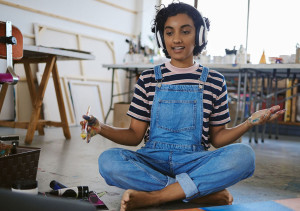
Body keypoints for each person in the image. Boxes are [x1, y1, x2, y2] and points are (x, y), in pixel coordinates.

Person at [81, 2, 285, 211]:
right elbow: (134, 135)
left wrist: (249, 123)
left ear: (199, 36)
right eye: (169, 33)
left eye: (185, 31)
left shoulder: (215, 80)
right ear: (162, 37)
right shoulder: (148, 78)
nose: (176, 39)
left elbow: (218, 138)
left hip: (195, 160)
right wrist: (101, 128)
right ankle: (191, 193)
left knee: (245, 156)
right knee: (108, 161)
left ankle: (157, 196)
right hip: (153, 160)